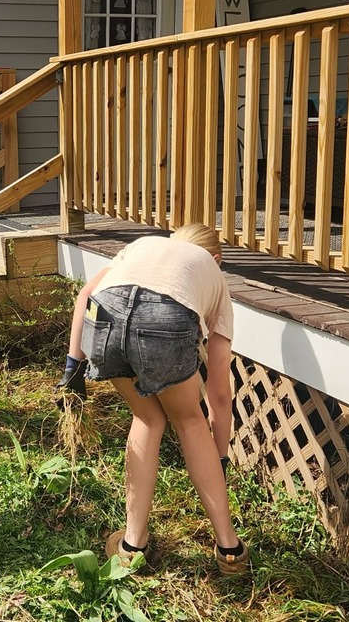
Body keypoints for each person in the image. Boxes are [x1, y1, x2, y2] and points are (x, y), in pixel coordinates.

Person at [55, 223, 249, 575]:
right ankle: (229, 550)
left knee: (148, 418)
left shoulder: (143, 245)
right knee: (189, 422)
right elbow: (219, 394)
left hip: (105, 316)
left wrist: (72, 367)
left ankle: (131, 546)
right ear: (216, 259)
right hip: (165, 319)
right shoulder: (214, 277)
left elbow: (86, 295)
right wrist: (218, 459)